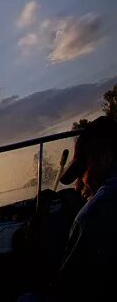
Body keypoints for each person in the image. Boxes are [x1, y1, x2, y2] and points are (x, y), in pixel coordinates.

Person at [20, 116, 117, 301]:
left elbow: (65, 289)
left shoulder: (94, 213)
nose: (77, 185)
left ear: (104, 157)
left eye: (82, 172)